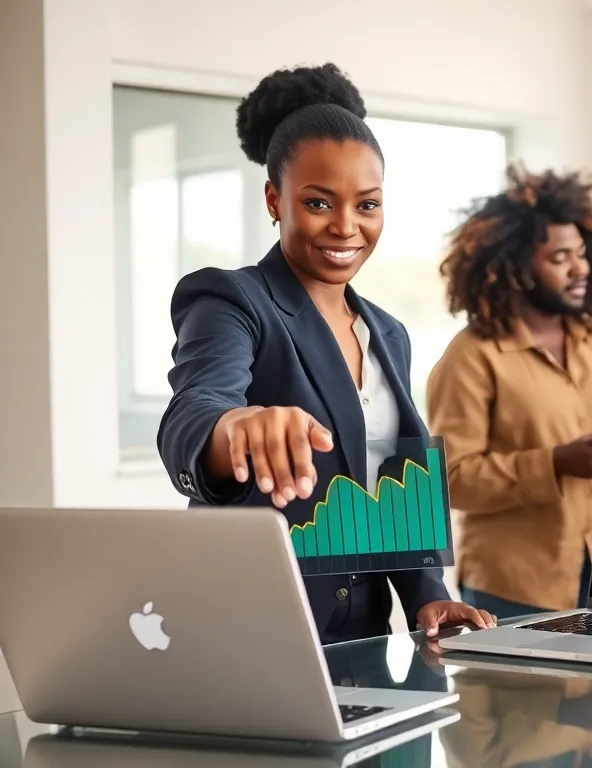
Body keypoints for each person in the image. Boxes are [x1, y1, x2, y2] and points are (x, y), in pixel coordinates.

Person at [157, 63, 494, 644]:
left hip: (362, 640)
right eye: (318, 203)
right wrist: (235, 424)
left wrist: (429, 595)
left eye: (367, 205)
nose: (346, 227)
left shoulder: (387, 333)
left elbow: (386, 477)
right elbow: (197, 406)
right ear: (274, 198)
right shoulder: (232, 299)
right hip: (253, 631)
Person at [428, 165, 592, 620]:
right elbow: (449, 479)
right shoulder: (472, 357)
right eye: (559, 259)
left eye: (580, 253)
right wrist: (553, 463)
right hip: (513, 584)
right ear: (516, 269)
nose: (579, 269)